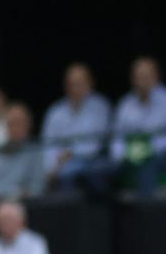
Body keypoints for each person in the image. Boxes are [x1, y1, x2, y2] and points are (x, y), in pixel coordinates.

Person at [109, 58, 166, 196]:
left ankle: (146, 212)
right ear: (132, 79)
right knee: (105, 169)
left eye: (146, 76)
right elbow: (117, 139)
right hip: (131, 156)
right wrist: (123, 154)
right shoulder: (125, 104)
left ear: (156, 76)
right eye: (138, 77)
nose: (142, 82)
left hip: (165, 156)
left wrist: (149, 148)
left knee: (146, 166)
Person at [42, 66, 113, 197]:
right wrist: (52, 169)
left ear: (90, 84)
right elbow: (48, 146)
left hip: (94, 160)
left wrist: (70, 155)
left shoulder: (100, 106)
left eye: (80, 83)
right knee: (64, 174)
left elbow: (94, 145)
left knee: (97, 170)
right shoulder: (55, 112)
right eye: (72, 84)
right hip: (63, 165)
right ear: (66, 86)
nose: (76, 88)